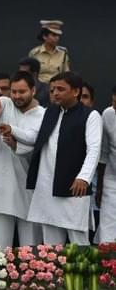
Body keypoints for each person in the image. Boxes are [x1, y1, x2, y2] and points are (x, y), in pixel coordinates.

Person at [26, 72, 101, 244]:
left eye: (60, 89)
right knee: (51, 247)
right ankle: (53, 272)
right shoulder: (50, 112)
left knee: (78, 242)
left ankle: (83, 273)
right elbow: (37, 137)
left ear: (75, 92)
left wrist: (84, 177)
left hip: (75, 187)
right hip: (47, 187)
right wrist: (12, 131)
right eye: (52, 90)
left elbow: (94, 149)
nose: (55, 93)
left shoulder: (90, 115)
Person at [0, 71, 45, 247]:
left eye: (22, 91)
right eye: (14, 91)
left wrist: (13, 134)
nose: (17, 96)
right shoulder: (5, 103)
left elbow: (34, 138)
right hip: (0, 188)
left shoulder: (43, 114)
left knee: (32, 254)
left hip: (30, 190)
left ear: (33, 90)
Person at [95, 87, 116, 242]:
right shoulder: (108, 114)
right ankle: (108, 265)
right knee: (107, 233)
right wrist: (100, 187)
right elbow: (103, 152)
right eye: (114, 103)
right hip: (112, 178)